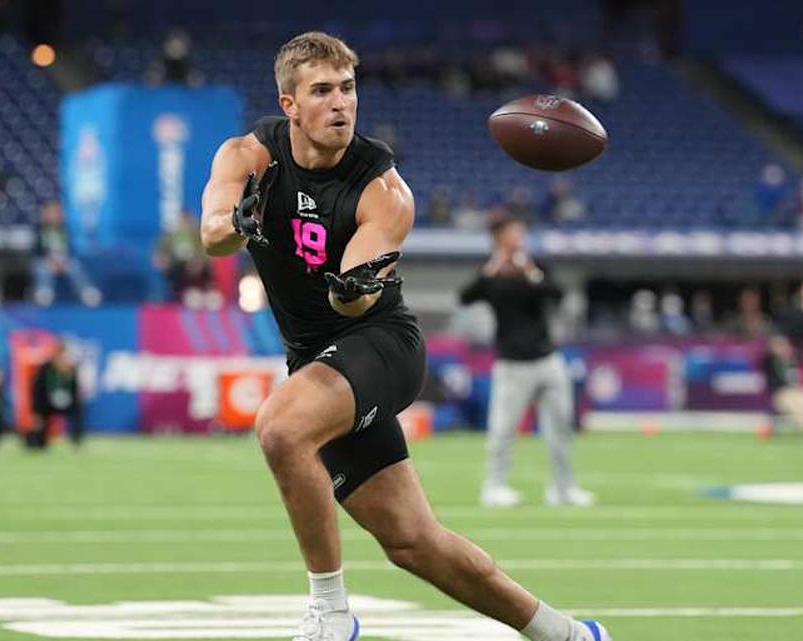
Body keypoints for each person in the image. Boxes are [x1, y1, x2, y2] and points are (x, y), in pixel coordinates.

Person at [198, 31, 609, 641]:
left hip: (380, 345)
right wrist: (237, 220)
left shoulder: (383, 189)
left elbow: (359, 293)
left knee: (281, 428)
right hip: (315, 362)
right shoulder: (246, 155)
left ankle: (331, 612)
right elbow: (210, 233)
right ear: (289, 104)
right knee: (415, 543)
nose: (341, 103)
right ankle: (568, 634)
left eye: (348, 88)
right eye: (322, 91)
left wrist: (348, 286)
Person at [459, 215, 593, 509]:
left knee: (560, 427)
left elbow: (555, 294)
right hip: (512, 363)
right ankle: (494, 487)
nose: (519, 238)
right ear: (499, 238)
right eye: (513, 233)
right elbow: (466, 297)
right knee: (503, 430)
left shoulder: (534, 266)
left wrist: (530, 271)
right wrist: (493, 269)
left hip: (548, 358)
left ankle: (563, 489)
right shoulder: (491, 272)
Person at [31, 201, 102, 307]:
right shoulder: (40, 229)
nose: (55, 215)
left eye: (57, 213)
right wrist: (51, 262)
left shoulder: (64, 229)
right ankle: (44, 293)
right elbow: (38, 251)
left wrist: (63, 262)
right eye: (52, 213)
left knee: (75, 265)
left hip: (64, 261)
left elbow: (69, 249)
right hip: (46, 261)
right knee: (41, 267)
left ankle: (87, 292)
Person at [762, 335, 803, 438]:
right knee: (795, 404)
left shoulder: (791, 362)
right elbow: (768, 364)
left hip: (796, 391)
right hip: (781, 393)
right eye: (778, 346)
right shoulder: (770, 362)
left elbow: (798, 377)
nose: (781, 349)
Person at [26, 341, 84, 449]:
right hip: (48, 403)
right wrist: (36, 412)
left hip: (67, 403)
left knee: (78, 410)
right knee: (39, 424)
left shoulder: (71, 369)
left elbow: (75, 391)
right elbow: (37, 391)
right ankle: (38, 441)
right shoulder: (45, 369)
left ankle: (76, 441)